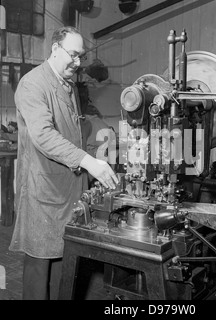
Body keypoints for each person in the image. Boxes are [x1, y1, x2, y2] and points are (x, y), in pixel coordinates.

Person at [9, 26, 118, 300]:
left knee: (63, 264)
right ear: (55, 49)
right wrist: (88, 162)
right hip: (43, 190)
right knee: (39, 267)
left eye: (81, 56)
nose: (79, 63)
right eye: (74, 55)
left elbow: (71, 133)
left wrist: (97, 156)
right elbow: (44, 135)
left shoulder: (66, 84)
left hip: (67, 189)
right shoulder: (33, 83)